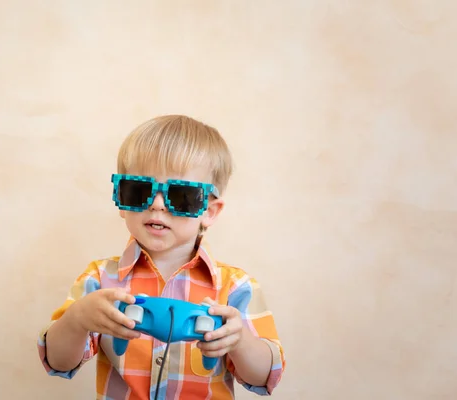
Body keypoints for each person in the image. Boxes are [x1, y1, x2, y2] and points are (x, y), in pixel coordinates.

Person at [37, 115, 285, 399]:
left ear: (210, 211)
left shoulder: (236, 287)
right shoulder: (100, 280)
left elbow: (266, 377)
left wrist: (239, 341)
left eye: (181, 196)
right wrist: (77, 319)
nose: (157, 204)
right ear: (120, 198)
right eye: (138, 190)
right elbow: (57, 362)